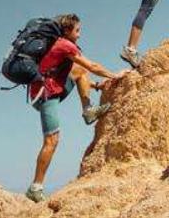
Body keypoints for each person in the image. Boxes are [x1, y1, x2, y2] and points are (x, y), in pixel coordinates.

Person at [25, 14, 124, 203]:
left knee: (80, 72)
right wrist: (114, 75)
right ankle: (35, 188)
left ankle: (88, 111)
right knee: (51, 140)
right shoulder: (64, 45)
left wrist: (95, 85)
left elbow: (72, 72)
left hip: (47, 90)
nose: (79, 35)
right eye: (77, 31)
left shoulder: (58, 44)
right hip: (46, 95)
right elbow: (92, 65)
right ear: (67, 31)